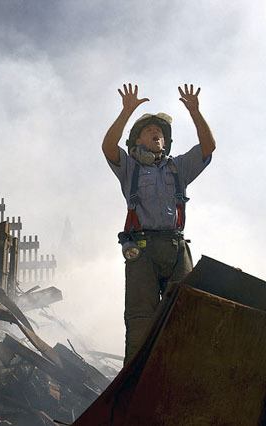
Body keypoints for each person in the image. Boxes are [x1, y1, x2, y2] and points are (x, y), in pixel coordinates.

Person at [102, 83, 216, 364]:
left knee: (186, 313)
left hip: (176, 248)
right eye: (149, 131)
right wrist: (126, 112)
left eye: (161, 133)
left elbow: (207, 147)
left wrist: (195, 112)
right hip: (142, 250)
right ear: (137, 141)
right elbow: (108, 147)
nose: (157, 134)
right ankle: (135, 384)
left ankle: (183, 375)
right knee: (141, 320)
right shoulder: (130, 168)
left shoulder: (178, 167)